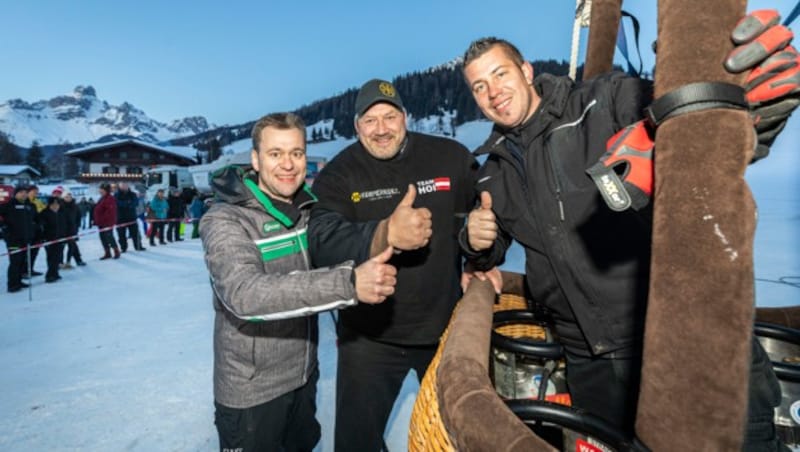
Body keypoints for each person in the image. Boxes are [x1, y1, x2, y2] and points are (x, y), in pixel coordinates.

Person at [459, 22, 798, 447]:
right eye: (478, 86)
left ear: (526, 70)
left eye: (500, 74)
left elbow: (687, 118)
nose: (492, 92)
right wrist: (474, 241)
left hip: (680, 332)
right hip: (589, 360)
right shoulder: (493, 170)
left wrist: (720, 92)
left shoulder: (602, 102)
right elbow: (489, 248)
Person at [200, 112, 398, 452]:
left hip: (304, 376)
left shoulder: (309, 211)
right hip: (252, 392)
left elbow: (334, 251)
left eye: (297, 153)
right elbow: (245, 294)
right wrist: (348, 283)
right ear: (255, 160)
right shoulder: (226, 219)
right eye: (275, 153)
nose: (288, 164)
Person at [307, 78, 481, 451]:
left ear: (406, 117)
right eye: (370, 121)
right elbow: (320, 239)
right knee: (357, 443)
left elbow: (492, 205)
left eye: (390, 117)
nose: (381, 129)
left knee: (460, 436)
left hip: (443, 331)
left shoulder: (449, 157)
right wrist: (385, 233)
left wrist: (481, 255)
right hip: (369, 338)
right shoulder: (339, 174)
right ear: (356, 127)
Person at [1, 185, 35, 292]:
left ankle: (19, 281)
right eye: (21, 192)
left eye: (25, 192)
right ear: (15, 194)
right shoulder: (9, 205)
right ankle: (12, 284)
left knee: (22, 262)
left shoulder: (29, 206)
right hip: (13, 239)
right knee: (15, 262)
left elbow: (34, 220)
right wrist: (4, 227)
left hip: (26, 239)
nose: (24, 194)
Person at [39, 196, 67, 283]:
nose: (55, 206)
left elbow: (65, 226)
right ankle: (49, 275)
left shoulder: (61, 213)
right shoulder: (44, 213)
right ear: (49, 205)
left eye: (57, 204)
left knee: (58, 257)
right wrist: (42, 238)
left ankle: (55, 273)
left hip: (60, 238)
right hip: (49, 239)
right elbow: (40, 227)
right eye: (53, 204)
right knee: (51, 257)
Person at [23, 184, 46, 278]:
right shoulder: (24, 202)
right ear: (28, 192)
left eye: (36, 192)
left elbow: (44, 211)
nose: (35, 194)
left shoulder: (38, 201)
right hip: (28, 230)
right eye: (34, 192)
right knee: (25, 253)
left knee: (34, 252)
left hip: (37, 230)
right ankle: (24, 271)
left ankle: (31, 269)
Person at [93, 183, 120, 260]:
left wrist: (103, 219)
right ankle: (107, 252)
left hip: (107, 222)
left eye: (102, 189)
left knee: (109, 237)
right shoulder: (102, 198)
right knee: (102, 237)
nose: (100, 191)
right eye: (100, 189)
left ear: (106, 190)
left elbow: (110, 212)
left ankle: (116, 251)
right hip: (101, 222)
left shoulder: (110, 198)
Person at [115, 183, 145, 252]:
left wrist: (128, 204)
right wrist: (127, 203)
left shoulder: (133, 194)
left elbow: (136, 203)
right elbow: (117, 203)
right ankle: (123, 248)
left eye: (125, 186)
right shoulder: (116, 195)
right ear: (120, 187)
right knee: (121, 234)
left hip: (132, 217)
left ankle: (138, 246)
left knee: (136, 233)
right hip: (120, 218)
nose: (124, 187)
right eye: (123, 186)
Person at [60, 191, 85, 267]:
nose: (68, 198)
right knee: (61, 247)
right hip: (62, 230)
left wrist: (77, 226)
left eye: (69, 197)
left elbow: (78, 217)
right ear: (63, 198)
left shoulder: (75, 206)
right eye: (66, 197)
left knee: (72, 246)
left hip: (72, 230)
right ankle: (60, 263)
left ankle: (69, 261)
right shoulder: (60, 206)